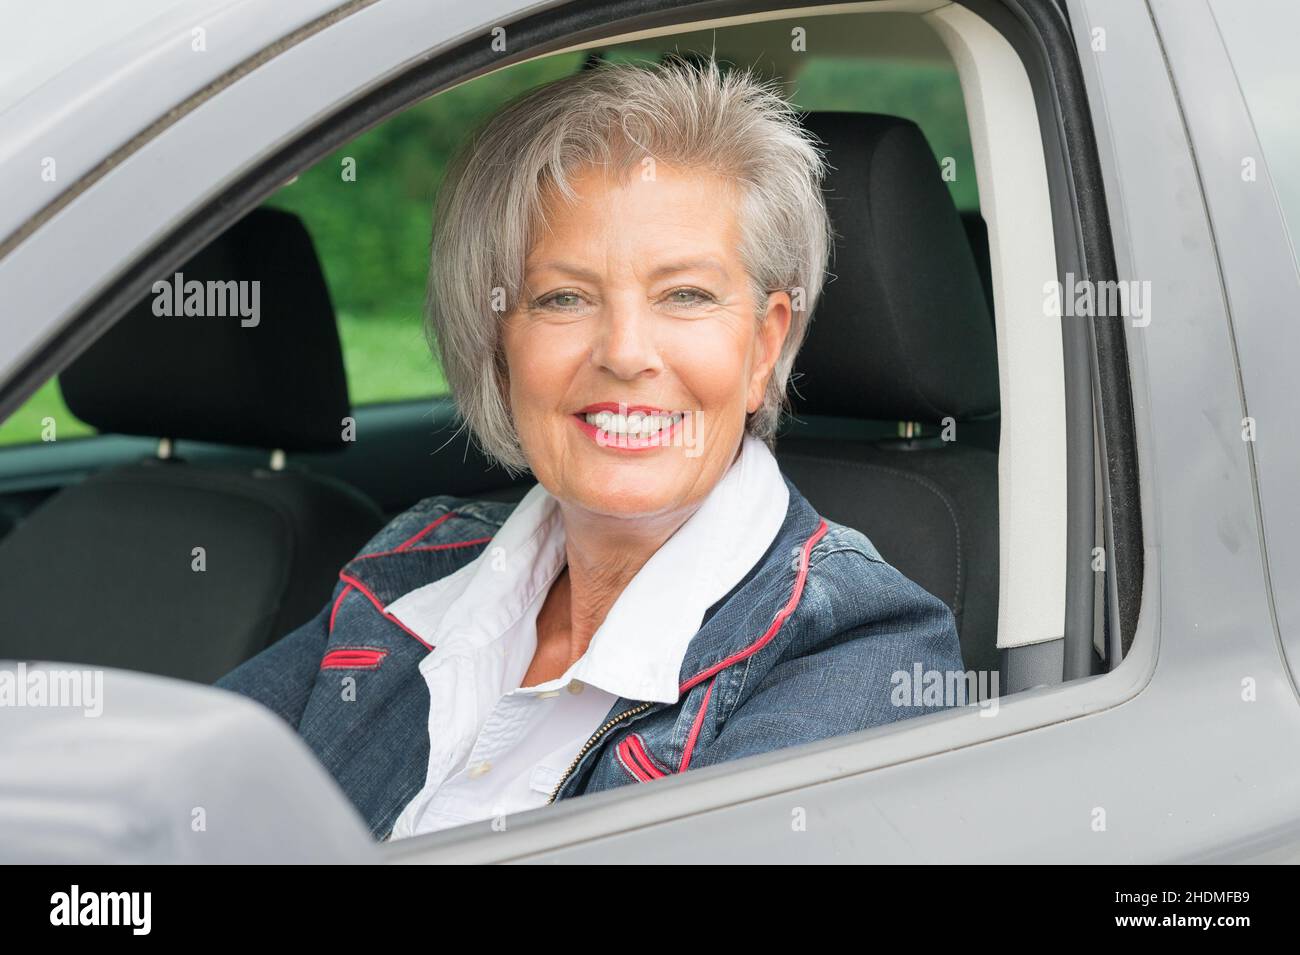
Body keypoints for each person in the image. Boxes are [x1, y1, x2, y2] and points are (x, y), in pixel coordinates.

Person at [217, 55, 964, 842]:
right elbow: (173, 808)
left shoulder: (862, 653)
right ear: (499, 348)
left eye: (685, 295)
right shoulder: (414, 563)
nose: (625, 351)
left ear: (764, 347)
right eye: (564, 297)